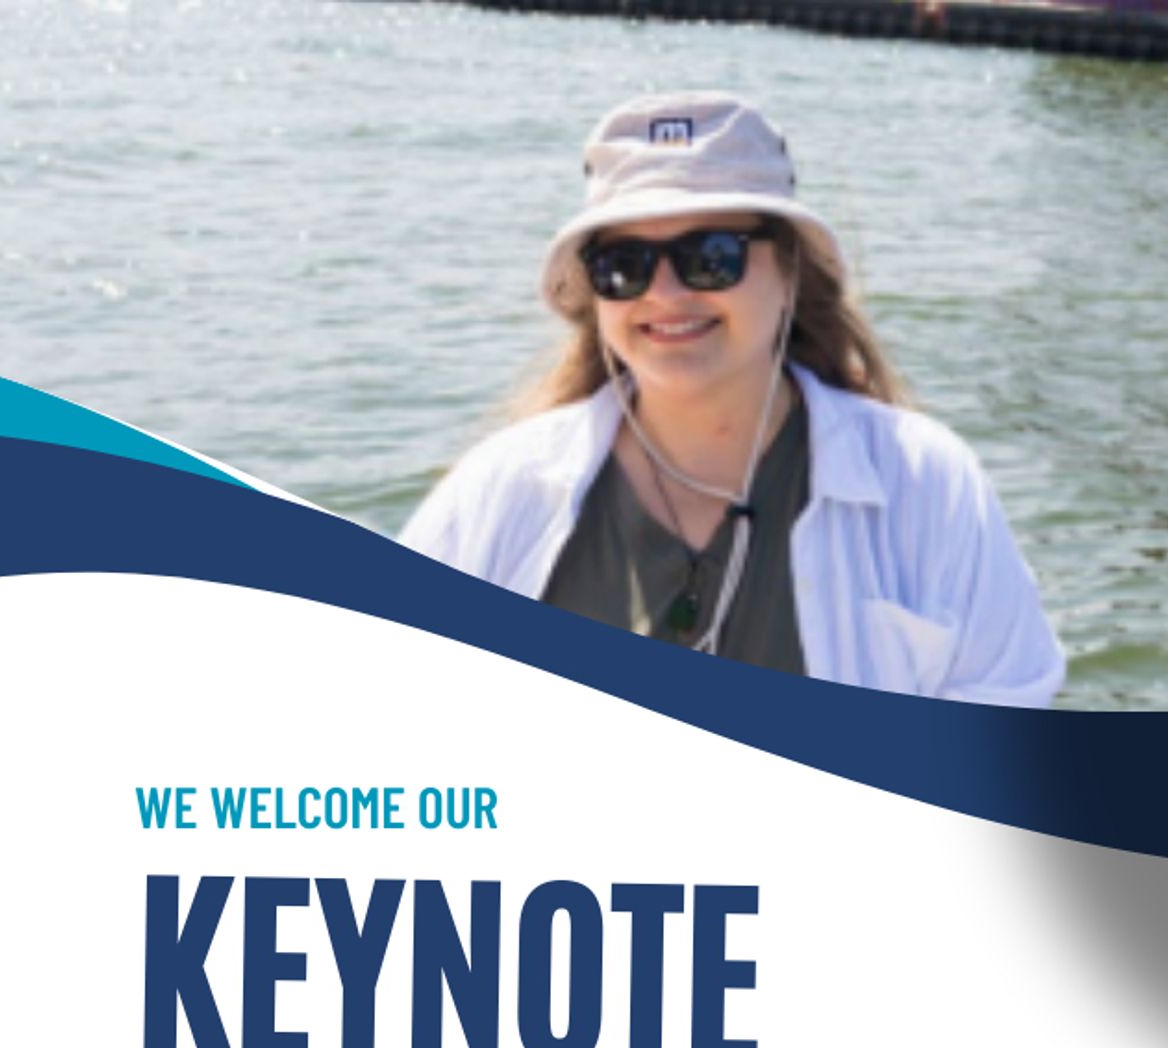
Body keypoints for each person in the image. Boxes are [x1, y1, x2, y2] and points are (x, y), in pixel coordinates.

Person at [402, 92, 1064, 706]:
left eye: (711, 256)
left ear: (789, 270)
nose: (663, 293)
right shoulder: (501, 490)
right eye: (624, 264)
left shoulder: (929, 486)